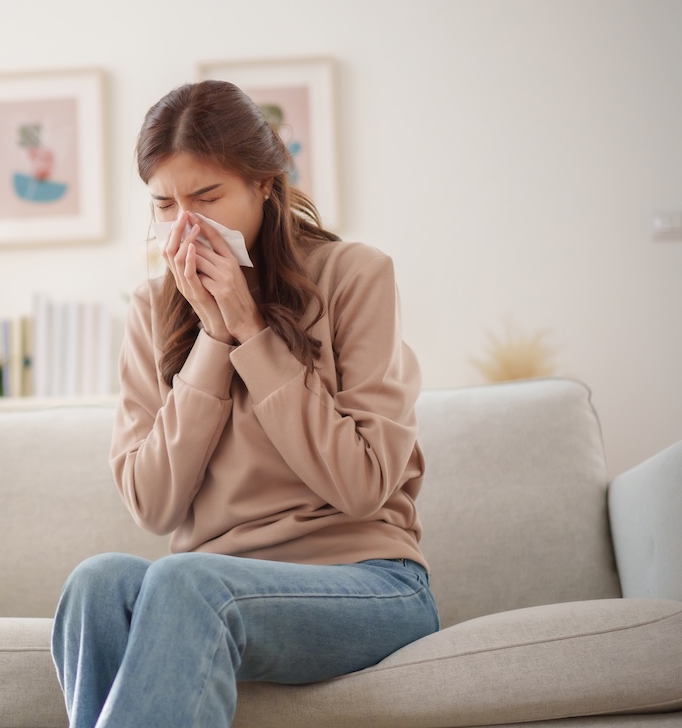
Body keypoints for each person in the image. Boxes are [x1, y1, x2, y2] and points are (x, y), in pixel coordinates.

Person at [50, 80, 439, 728]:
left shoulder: (355, 277)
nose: (187, 225)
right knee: (97, 584)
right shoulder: (152, 310)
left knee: (186, 583)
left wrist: (252, 332)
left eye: (207, 197)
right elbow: (153, 504)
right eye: (165, 205)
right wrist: (212, 337)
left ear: (264, 182)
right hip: (214, 585)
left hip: (369, 583)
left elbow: (364, 483)